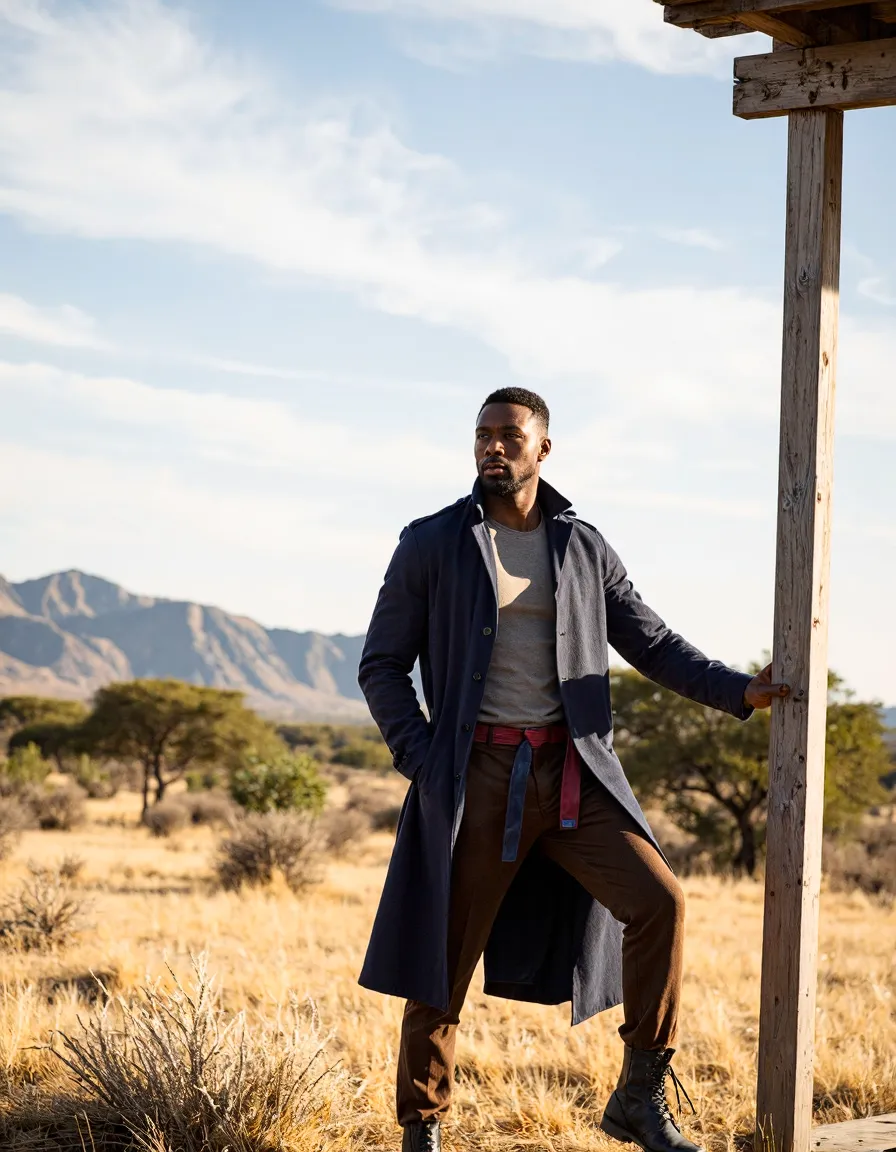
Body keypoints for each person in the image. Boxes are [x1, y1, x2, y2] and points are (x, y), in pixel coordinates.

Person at [358, 387, 788, 1152]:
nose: (493, 447)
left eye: (509, 436)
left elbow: (652, 642)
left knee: (659, 902)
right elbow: (382, 666)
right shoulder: (431, 543)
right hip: (472, 778)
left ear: (542, 449)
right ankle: (422, 1128)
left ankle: (639, 1097)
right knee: (442, 960)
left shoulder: (584, 547)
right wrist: (423, 761)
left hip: (570, 779)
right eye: (483, 435)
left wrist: (738, 691)